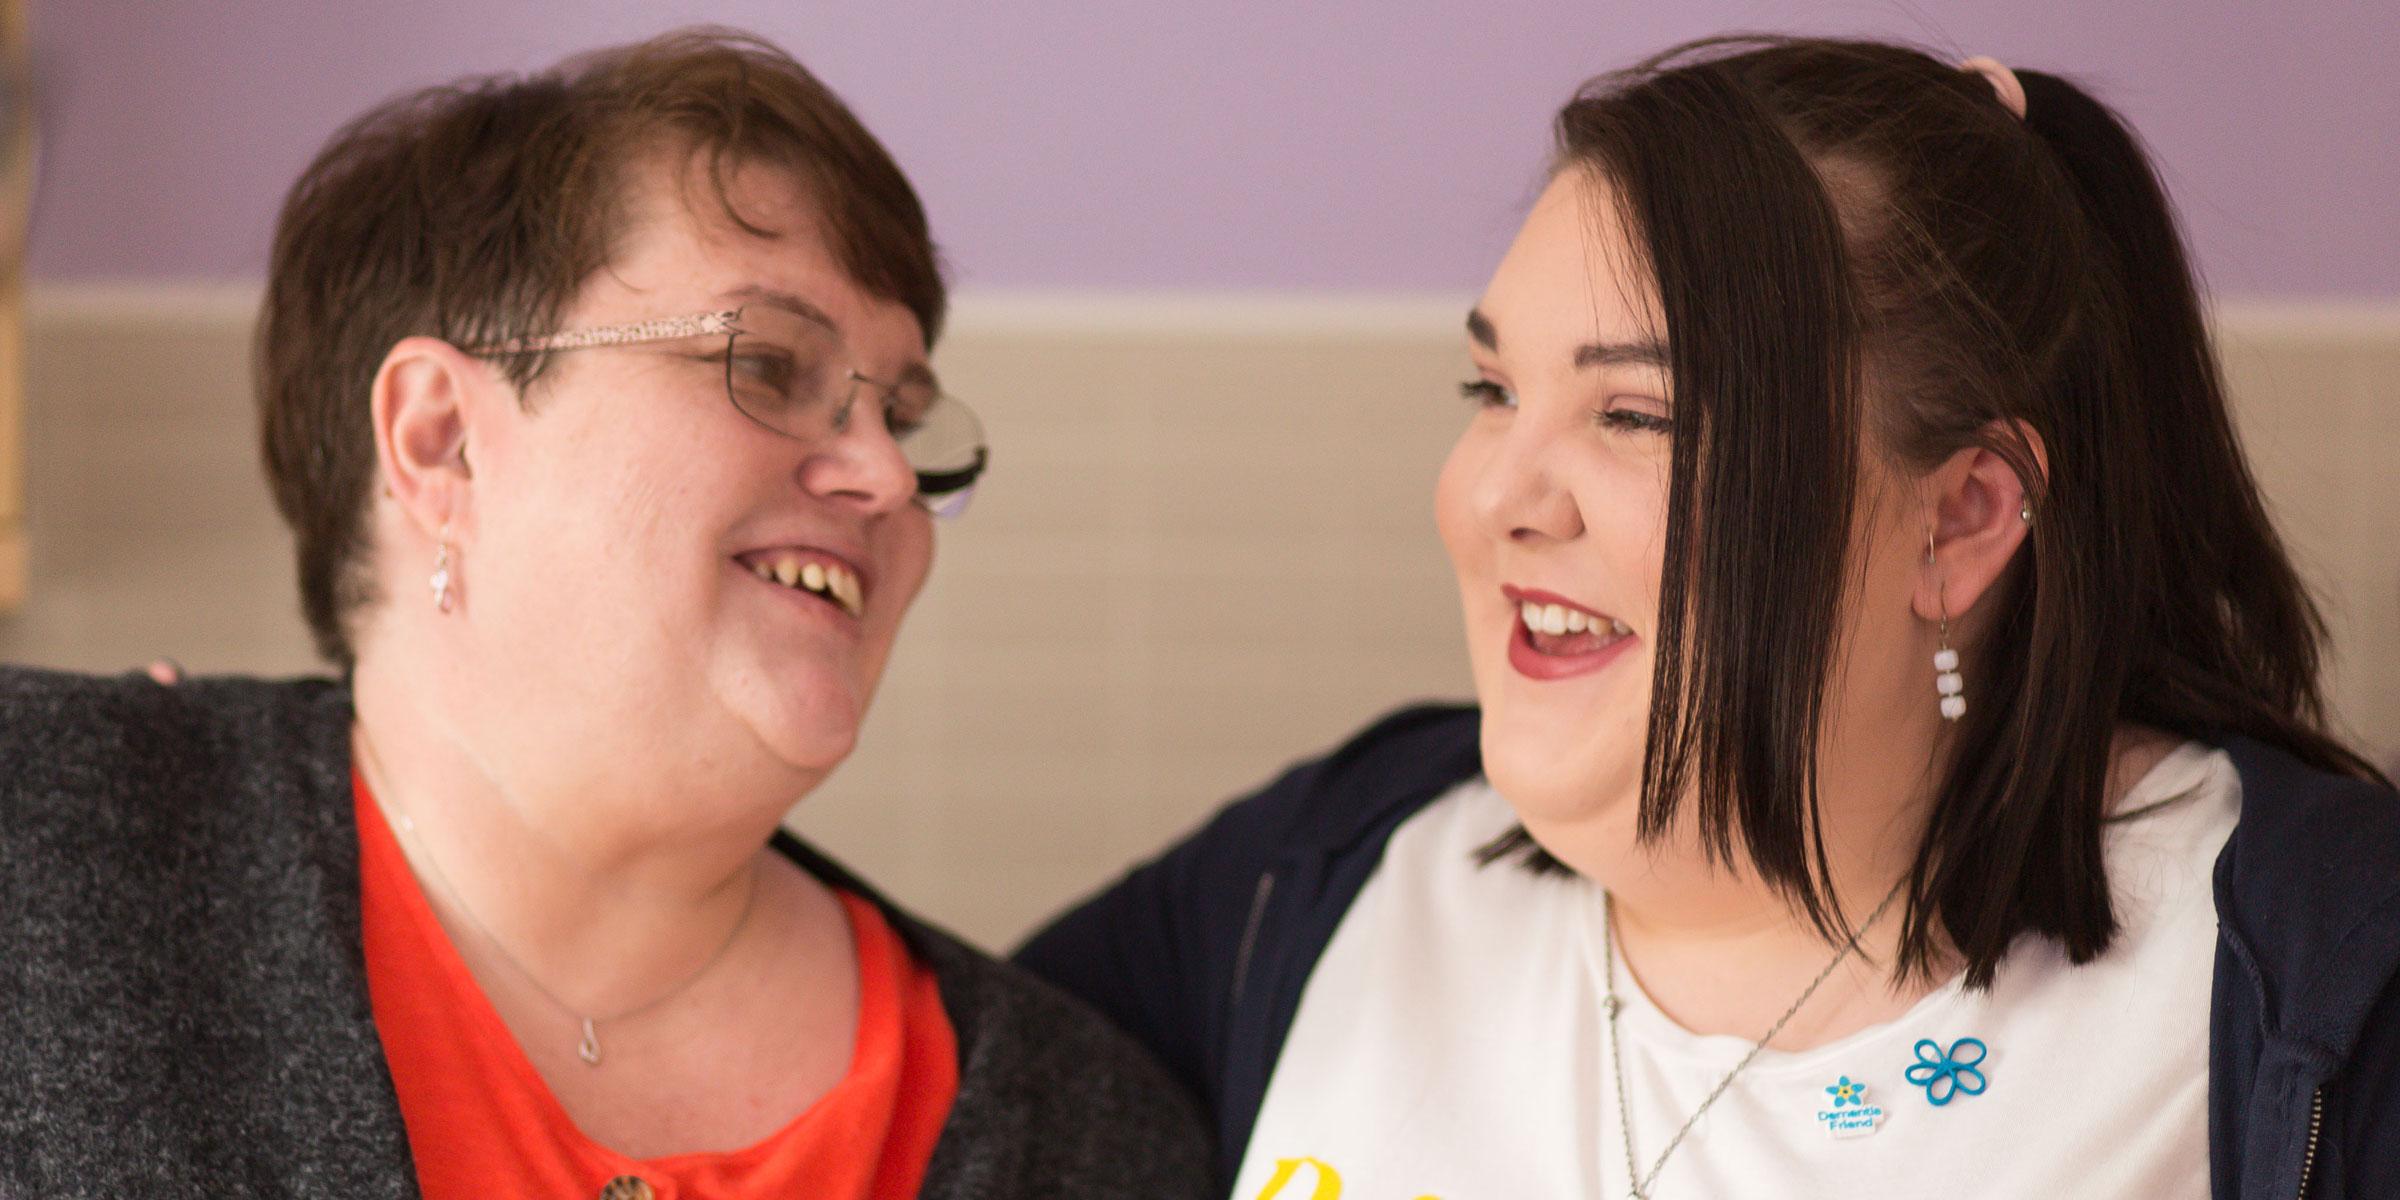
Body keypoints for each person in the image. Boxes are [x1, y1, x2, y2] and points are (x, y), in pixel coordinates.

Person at [1018, 36, 2400, 1198]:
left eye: (1634, 415)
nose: (1494, 494)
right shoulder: (1319, 873)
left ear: (1964, 516)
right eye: (1492, 393)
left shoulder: (2324, 979)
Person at [0, 29, 1209, 1199]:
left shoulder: (1085, 1128)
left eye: (899, 416)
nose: (887, 478)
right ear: (443, 442)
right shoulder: (52, 855)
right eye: (770, 365)